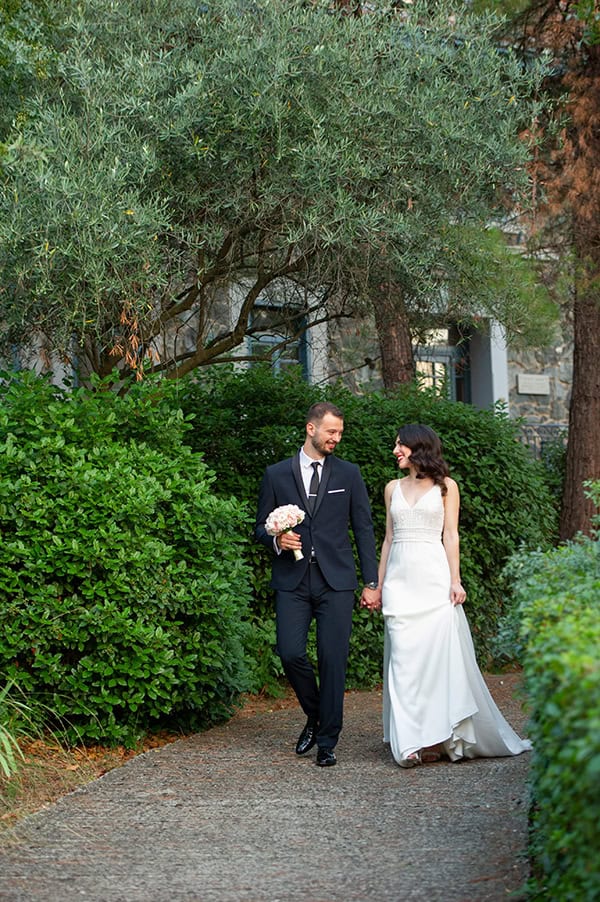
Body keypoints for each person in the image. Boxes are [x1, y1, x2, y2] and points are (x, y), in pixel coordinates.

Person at [378, 423, 532, 768]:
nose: (395, 452)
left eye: (400, 445)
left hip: (433, 580)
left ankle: (433, 739)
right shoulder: (391, 488)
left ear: (418, 448)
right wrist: (379, 583)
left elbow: (451, 536)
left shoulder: (447, 487)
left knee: (435, 662)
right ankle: (409, 741)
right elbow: (388, 539)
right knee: (403, 662)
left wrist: (455, 580)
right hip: (400, 583)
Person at [255, 402, 381, 767]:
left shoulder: (349, 474)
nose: (336, 439)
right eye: (331, 432)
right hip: (292, 580)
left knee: (333, 660)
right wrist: (277, 541)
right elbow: (260, 528)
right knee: (290, 652)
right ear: (311, 429)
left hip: (336, 581)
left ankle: (327, 742)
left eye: (339, 433)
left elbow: (363, 528)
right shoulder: (276, 474)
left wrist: (371, 581)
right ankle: (315, 714)